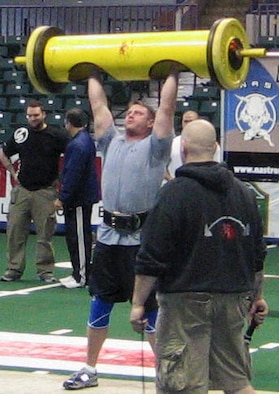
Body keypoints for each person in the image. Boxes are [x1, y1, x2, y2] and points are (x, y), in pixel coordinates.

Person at [130, 118, 269, 394]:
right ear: (215, 147)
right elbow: (257, 255)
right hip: (234, 298)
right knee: (236, 382)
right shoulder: (244, 193)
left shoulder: (173, 193)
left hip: (185, 301)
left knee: (182, 384)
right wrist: (257, 296)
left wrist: (138, 302)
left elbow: (152, 255)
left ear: (183, 149)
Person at [63, 66, 179, 390]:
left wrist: (173, 71)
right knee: (100, 301)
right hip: (109, 239)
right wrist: (92, 73)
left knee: (151, 311)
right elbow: (99, 107)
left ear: (151, 122)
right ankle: (89, 368)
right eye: (128, 111)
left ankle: (166, 375)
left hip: (141, 243)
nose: (130, 115)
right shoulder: (110, 140)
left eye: (139, 112)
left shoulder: (157, 148)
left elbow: (168, 107)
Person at [0, 100, 69, 283]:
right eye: (29, 115)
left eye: (36, 115)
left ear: (44, 114)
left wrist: (61, 179)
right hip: (22, 191)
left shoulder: (56, 135)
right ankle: (13, 269)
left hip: (45, 192)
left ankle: (45, 271)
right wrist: (13, 173)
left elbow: (72, 155)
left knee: (45, 235)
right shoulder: (21, 134)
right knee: (14, 232)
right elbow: (4, 152)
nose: (32, 118)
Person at [54, 108, 99, 289]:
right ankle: (77, 273)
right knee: (75, 236)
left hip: (79, 199)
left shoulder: (77, 144)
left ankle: (82, 276)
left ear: (68, 123)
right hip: (79, 198)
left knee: (79, 237)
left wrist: (63, 197)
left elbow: (73, 174)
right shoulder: (84, 141)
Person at [165, 109, 221, 181]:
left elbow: (216, 165)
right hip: (176, 185)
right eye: (185, 121)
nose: (188, 124)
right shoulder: (172, 143)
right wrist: (171, 180)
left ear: (198, 122)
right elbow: (162, 166)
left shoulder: (210, 143)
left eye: (191, 121)